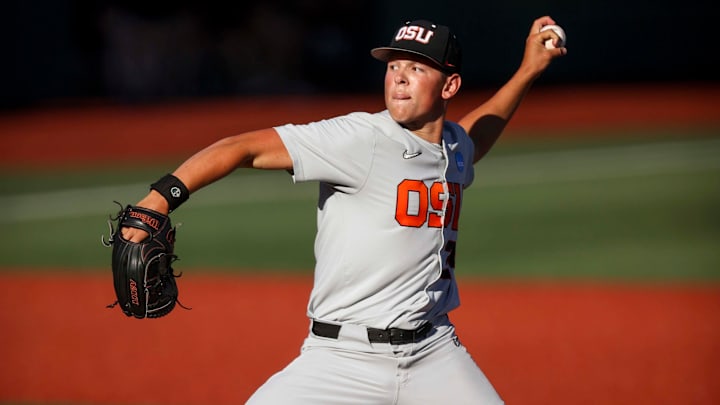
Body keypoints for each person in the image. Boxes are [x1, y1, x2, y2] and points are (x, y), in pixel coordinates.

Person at [123, 15, 566, 404]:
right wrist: (158, 200)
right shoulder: (359, 138)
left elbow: (475, 135)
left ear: (449, 85)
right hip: (340, 360)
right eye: (394, 66)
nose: (399, 77)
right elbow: (241, 148)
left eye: (416, 67)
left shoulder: (453, 147)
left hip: (435, 352)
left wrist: (528, 71)